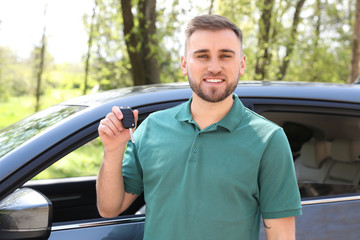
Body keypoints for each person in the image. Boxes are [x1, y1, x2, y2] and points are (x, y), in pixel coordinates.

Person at [96, 14, 302, 240]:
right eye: (202, 56)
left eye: (225, 55)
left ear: (241, 64)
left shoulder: (269, 140)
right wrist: (114, 150)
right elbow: (109, 208)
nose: (214, 67)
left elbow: (282, 236)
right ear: (184, 64)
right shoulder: (152, 128)